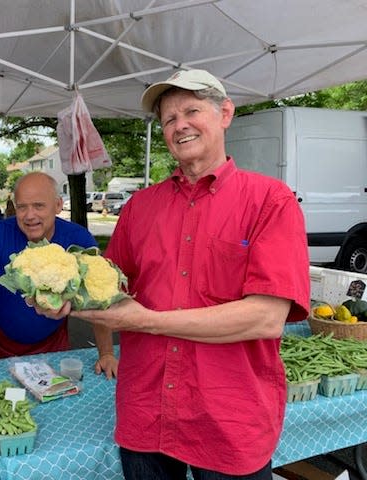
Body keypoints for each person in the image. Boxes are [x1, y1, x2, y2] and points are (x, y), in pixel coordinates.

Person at [38, 70, 310, 479]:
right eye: (168, 119)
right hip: (146, 410)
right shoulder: (140, 207)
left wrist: (147, 321)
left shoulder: (270, 201)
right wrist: (66, 297)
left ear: (225, 113)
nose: (179, 124)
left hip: (228, 418)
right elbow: (108, 290)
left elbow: (266, 318)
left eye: (191, 111)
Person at [0, 171, 117, 388]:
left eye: (39, 206)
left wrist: (106, 353)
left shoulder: (78, 239)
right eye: (22, 207)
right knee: (0, 398)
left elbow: (98, 295)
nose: (29, 215)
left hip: (52, 345)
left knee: (48, 401)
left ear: (58, 205)